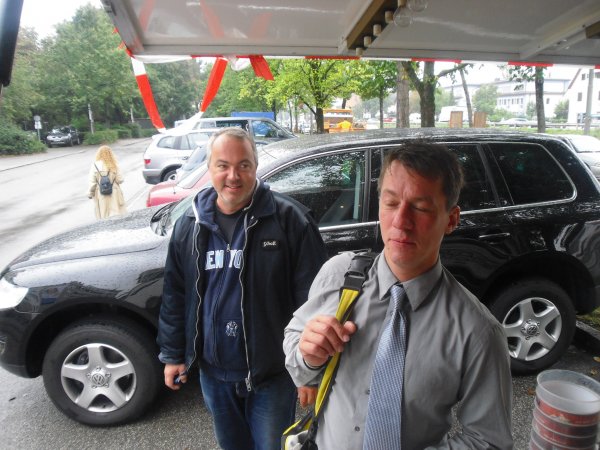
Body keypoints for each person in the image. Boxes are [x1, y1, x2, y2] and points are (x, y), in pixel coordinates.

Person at [284, 143, 513, 449]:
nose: (401, 221)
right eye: (391, 203)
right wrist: (309, 357)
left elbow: (489, 441)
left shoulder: (478, 332)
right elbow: (295, 344)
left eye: (420, 207)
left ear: (451, 219)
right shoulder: (339, 275)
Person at [157, 127, 328, 450]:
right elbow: (175, 295)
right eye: (223, 165)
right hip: (213, 375)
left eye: (243, 165)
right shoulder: (189, 225)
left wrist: (309, 370)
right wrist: (173, 354)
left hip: (272, 375)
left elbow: (314, 303)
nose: (233, 176)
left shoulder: (290, 220)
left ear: (255, 167)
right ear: (209, 168)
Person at [87, 145, 127, 219]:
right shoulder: (114, 165)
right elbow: (120, 180)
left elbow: (92, 182)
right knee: (116, 215)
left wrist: (90, 194)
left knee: (104, 216)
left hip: (101, 193)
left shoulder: (95, 165)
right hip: (114, 193)